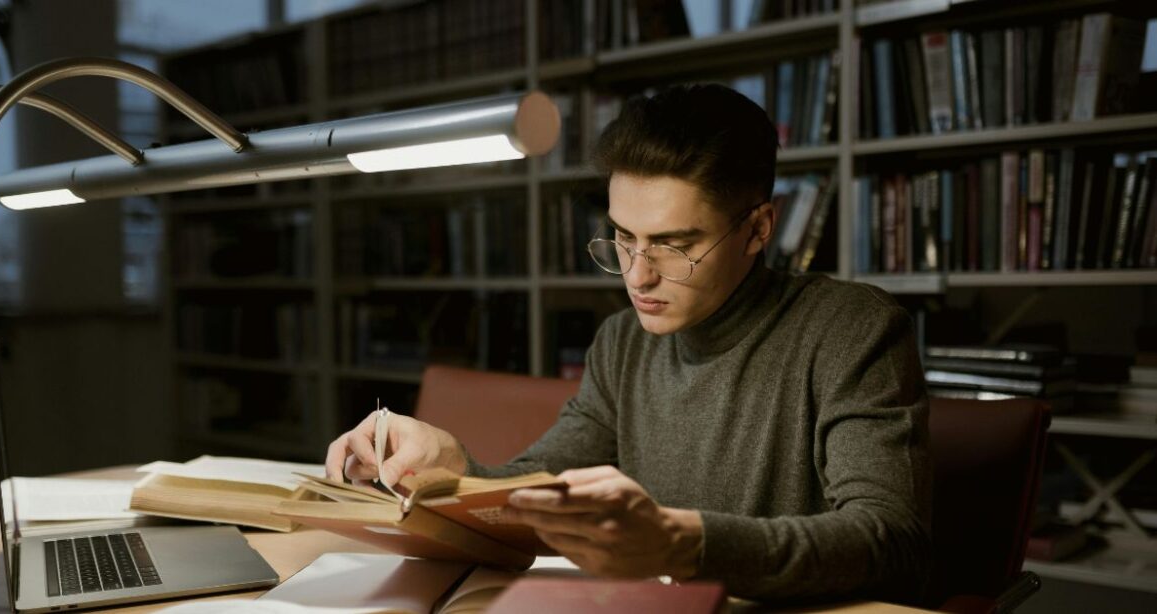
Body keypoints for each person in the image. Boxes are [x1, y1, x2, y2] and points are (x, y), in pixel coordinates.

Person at [325, 84, 932, 605]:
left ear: (758, 230)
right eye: (622, 237)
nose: (637, 275)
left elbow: (889, 537)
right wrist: (456, 470)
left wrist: (685, 543)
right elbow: (546, 485)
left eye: (673, 244)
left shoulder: (853, 329)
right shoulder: (621, 343)